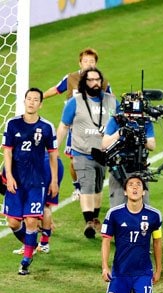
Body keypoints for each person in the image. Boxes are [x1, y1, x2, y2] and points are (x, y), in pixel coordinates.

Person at [101, 174, 163, 293]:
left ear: (143, 191)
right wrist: (104, 266)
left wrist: (159, 268)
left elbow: (157, 242)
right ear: (125, 191)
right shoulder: (114, 214)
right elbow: (106, 240)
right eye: (131, 185)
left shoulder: (154, 216)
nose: (135, 188)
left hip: (143, 271)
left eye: (138, 185)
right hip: (120, 272)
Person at [2, 88, 58, 275]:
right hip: (16, 180)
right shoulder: (12, 124)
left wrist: (54, 180)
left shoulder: (47, 127)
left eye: (35, 100)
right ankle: (31, 244)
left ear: (40, 104)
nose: (31, 102)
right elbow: (7, 151)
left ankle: (26, 259)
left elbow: (53, 155)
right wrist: (8, 176)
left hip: (36, 181)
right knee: (12, 222)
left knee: (32, 220)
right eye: (29, 99)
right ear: (24, 101)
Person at [43, 47, 112, 200]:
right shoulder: (71, 78)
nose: (88, 64)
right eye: (85, 61)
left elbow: (111, 100)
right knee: (74, 161)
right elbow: (56, 89)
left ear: (95, 64)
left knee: (95, 160)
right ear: (80, 63)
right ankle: (77, 187)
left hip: (94, 128)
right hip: (74, 127)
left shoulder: (102, 82)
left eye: (91, 61)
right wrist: (40, 96)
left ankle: (94, 187)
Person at [57, 68, 118, 238]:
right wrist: (54, 148)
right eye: (91, 80)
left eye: (98, 79)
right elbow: (63, 126)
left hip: (104, 152)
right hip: (82, 152)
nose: (95, 83)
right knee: (87, 185)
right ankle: (88, 222)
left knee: (98, 186)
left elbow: (122, 122)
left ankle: (95, 218)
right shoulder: (74, 102)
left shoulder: (112, 101)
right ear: (84, 83)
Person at [102, 109, 156, 207]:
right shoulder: (116, 120)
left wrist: (142, 137)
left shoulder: (145, 122)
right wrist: (119, 133)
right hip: (120, 168)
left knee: (143, 207)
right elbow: (104, 144)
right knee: (118, 206)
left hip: (139, 168)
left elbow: (152, 146)